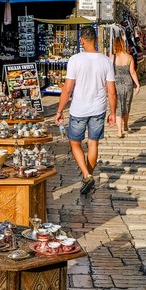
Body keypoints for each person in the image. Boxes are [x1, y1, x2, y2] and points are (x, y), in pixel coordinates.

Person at [54, 25, 116, 196]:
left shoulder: (75, 60)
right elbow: (111, 90)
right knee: (93, 143)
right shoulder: (106, 61)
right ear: (96, 40)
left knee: (75, 143)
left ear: (81, 40)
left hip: (79, 108)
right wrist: (113, 113)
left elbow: (67, 89)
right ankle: (88, 175)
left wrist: (59, 110)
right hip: (98, 108)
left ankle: (87, 175)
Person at [112, 35, 140, 138]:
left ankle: (119, 131)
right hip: (128, 83)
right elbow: (132, 72)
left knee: (118, 106)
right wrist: (137, 84)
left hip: (117, 84)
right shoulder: (129, 57)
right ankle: (126, 125)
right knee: (127, 105)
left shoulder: (112, 57)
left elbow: (108, 73)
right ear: (124, 45)